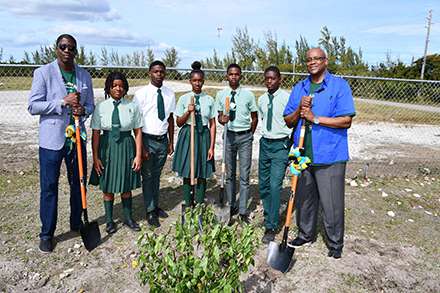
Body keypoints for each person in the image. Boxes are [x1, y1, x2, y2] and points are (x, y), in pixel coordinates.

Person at [283, 48, 356, 259]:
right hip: (302, 152)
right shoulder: (300, 87)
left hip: (330, 154)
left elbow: (346, 121)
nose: (312, 62)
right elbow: (288, 120)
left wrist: (315, 118)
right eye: (309, 60)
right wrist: (300, 109)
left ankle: (335, 243)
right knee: (304, 199)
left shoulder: (339, 86)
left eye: (317, 58)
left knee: (331, 201)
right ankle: (306, 234)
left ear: (326, 61)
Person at [28, 34, 94, 253]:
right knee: (49, 187)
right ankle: (47, 233)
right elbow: (33, 106)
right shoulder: (43, 73)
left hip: (76, 140)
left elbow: (91, 105)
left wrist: (83, 110)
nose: (67, 50)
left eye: (71, 48)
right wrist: (62, 102)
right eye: (63, 46)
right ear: (56, 49)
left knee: (78, 183)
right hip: (51, 140)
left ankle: (76, 223)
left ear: (76, 51)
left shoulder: (84, 75)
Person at [89, 72, 142, 234]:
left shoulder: (132, 106)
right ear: (109, 88)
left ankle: (127, 218)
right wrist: (96, 157)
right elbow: (96, 134)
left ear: (125, 87)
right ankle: (110, 221)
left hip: (126, 146)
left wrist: (138, 155)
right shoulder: (101, 107)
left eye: (121, 85)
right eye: (114, 86)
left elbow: (138, 132)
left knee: (126, 185)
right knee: (108, 187)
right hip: (107, 147)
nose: (118, 88)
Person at [134, 60, 175, 228]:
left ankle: (155, 206)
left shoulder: (169, 94)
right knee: (148, 176)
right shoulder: (141, 94)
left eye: (162, 72)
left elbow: (170, 118)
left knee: (157, 175)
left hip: (161, 140)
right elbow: (136, 122)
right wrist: (141, 146)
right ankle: (150, 211)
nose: (159, 74)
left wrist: (171, 141)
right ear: (149, 73)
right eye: (156, 71)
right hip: (147, 139)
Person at [216, 63, 258, 223]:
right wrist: (222, 119)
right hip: (229, 137)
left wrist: (249, 134)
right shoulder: (221, 94)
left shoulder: (248, 95)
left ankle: (242, 210)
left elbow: (254, 117)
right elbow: (219, 115)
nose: (234, 77)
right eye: (231, 74)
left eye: (236, 74)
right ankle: (231, 205)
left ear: (241, 76)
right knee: (229, 174)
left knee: (245, 175)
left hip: (244, 137)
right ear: (227, 76)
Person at [172, 61, 216, 206]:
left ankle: (199, 201)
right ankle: (188, 202)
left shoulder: (209, 99)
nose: (197, 83)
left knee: (202, 169)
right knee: (187, 169)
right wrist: (188, 112)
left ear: (203, 81)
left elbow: (212, 124)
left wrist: (211, 147)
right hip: (188, 134)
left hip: (203, 134)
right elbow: (178, 122)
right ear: (190, 81)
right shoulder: (184, 98)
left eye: (200, 81)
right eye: (194, 81)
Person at [258, 66, 292, 244]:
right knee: (263, 185)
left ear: (279, 79)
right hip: (265, 143)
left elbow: (293, 121)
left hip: (280, 145)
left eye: (273, 78)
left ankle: (271, 226)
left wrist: (290, 145)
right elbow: (263, 118)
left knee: (274, 185)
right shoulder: (262, 99)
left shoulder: (287, 98)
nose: (269, 81)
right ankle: (267, 214)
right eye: (267, 78)